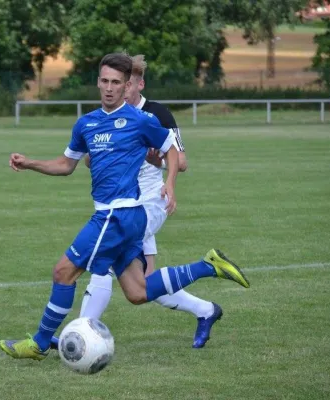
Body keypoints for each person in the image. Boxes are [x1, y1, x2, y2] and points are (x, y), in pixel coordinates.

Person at [0, 53, 250, 361]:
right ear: (97, 82)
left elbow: (172, 148)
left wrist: (169, 183)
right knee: (138, 291)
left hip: (116, 215)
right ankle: (207, 266)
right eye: (104, 81)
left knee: (63, 272)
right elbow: (66, 165)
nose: (108, 88)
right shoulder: (86, 123)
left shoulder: (139, 120)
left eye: (115, 82)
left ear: (127, 85)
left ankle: (39, 343)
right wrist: (31, 163)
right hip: (119, 217)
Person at [49, 54, 222, 350]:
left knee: (102, 264)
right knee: (142, 284)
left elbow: (180, 162)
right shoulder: (107, 120)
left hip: (147, 204)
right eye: (108, 82)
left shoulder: (154, 116)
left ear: (136, 85)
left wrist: (156, 163)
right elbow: (89, 161)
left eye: (122, 84)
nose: (115, 90)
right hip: (123, 203)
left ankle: (76, 336)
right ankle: (205, 309)